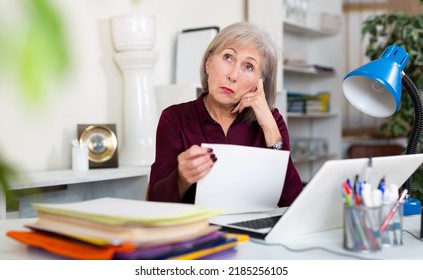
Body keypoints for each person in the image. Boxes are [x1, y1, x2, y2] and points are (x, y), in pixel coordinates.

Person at [148, 22, 303, 206]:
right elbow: (156, 201)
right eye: (228, 57)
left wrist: (269, 126)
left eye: (249, 67)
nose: (233, 75)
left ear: (259, 83)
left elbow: (292, 202)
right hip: (200, 230)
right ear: (208, 64)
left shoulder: (272, 121)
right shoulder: (174, 118)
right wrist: (182, 177)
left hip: (255, 230)